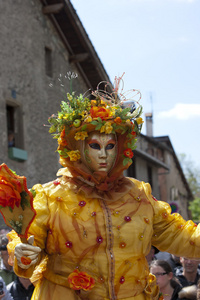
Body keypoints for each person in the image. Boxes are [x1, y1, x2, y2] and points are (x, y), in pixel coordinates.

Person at [4, 75, 200, 300]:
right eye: (95, 146)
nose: (104, 154)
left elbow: (184, 237)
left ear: (121, 148)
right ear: (77, 146)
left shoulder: (138, 196)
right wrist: (22, 253)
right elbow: (28, 247)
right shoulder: (50, 197)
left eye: (111, 146)